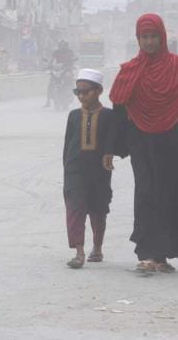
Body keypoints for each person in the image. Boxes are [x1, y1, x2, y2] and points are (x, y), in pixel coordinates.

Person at [107, 13, 178, 274]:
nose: (149, 42)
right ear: (138, 39)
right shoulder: (129, 71)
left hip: (174, 141)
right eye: (144, 37)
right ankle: (147, 252)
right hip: (141, 140)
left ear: (162, 38)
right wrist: (112, 148)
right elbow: (118, 107)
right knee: (146, 193)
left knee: (168, 195)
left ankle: (162, 255)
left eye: (154, 37)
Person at [62, 68, 121, 269]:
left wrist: (109, 155)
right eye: (77, 92)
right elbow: (67, 144)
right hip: (75, 168)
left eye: (85, 91)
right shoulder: (73, 115)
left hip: (99, 170)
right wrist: (66, 169)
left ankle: (97, 248)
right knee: (75, 208)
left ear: (98, 91)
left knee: (98, 208)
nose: (81, 96)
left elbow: (112, 140)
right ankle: (79, 251)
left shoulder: (109, 115)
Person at [44, 40, 77, 107]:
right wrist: (48, 66)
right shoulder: (56, 52)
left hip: (67, 69)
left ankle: (71, 93)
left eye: (63, 45)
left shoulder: (69, 52)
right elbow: (52, 59)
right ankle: (48, 101)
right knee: (51, 83)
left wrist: (71, 65)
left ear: (66, 45)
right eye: (61, 45)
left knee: (70, 80)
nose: (62, 46)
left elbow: (73, 59)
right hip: (58, 70)